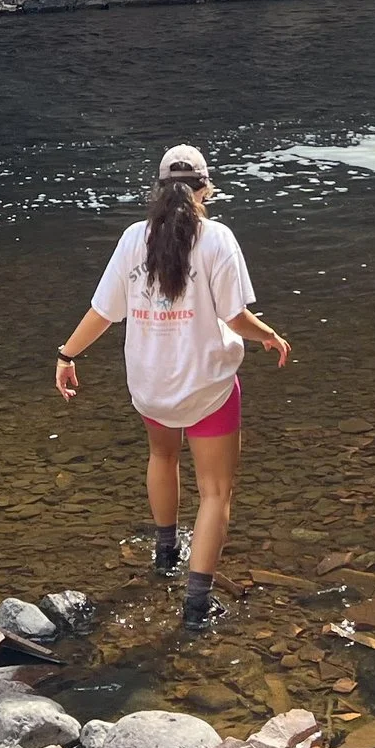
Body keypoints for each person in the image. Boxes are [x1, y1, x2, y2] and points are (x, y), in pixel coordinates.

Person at [54, 143, 290, 629]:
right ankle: (196, 606)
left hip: (150, 386)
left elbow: (103, 312)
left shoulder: (131, 240)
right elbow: (234, 317)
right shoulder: (218, 239)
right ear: (206, 187)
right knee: (215, 493)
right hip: (207, 387)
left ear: (158, 189)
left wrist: (67, 355)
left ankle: (165, 555)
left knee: (162, 457)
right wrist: (269, 335)